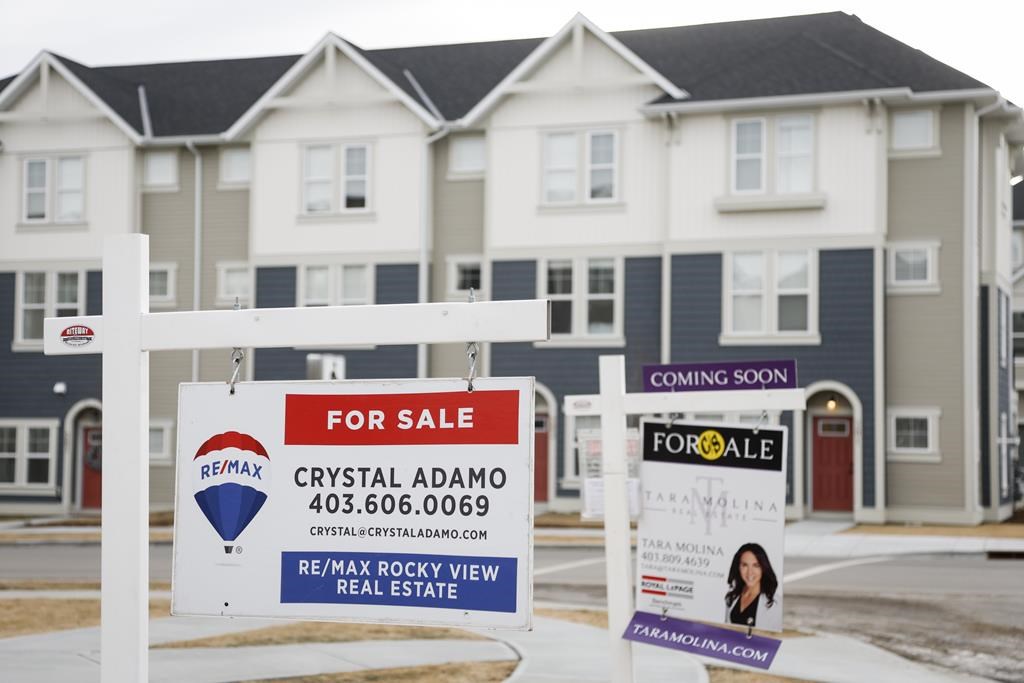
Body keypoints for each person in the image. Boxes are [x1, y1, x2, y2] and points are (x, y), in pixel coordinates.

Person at [724, 542, 781, 630]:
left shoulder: (774, 603)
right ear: (738, 567)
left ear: (763, 568)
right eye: (744, 565)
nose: (750, 572)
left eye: (756, 565)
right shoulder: (732, 597)